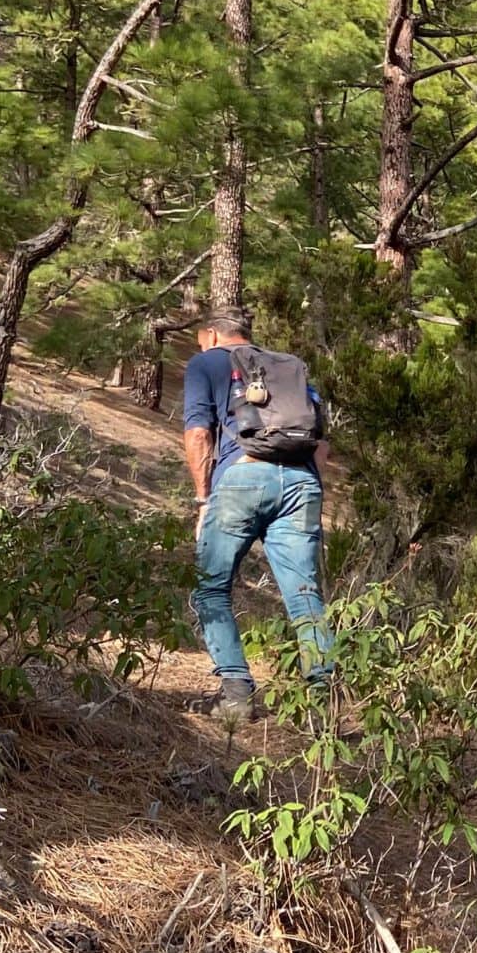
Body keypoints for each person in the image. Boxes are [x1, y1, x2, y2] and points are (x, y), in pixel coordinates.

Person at [180, 309, 334, 723]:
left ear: (209, 335)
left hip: (242, 480)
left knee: (211, 589)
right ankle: (321, 701)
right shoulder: (288, 365)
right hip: (303, 482)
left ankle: (236, 694)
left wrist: (203, 501)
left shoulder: (205, 362)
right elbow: (320, 441)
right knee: (304, 595)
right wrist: (307, 485)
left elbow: (198, 434)